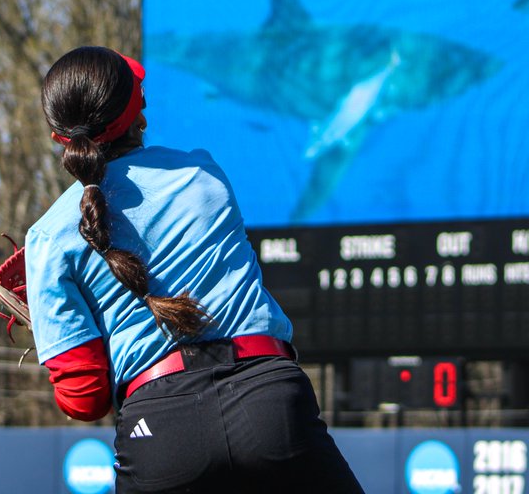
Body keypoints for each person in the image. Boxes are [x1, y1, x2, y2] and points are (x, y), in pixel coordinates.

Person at [24, 46, 364, 493]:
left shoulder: (48, 238)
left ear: (58, 138)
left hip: (160, 428)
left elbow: (85, 398)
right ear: (140, 111)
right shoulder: (203, 174)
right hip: (270, 400)